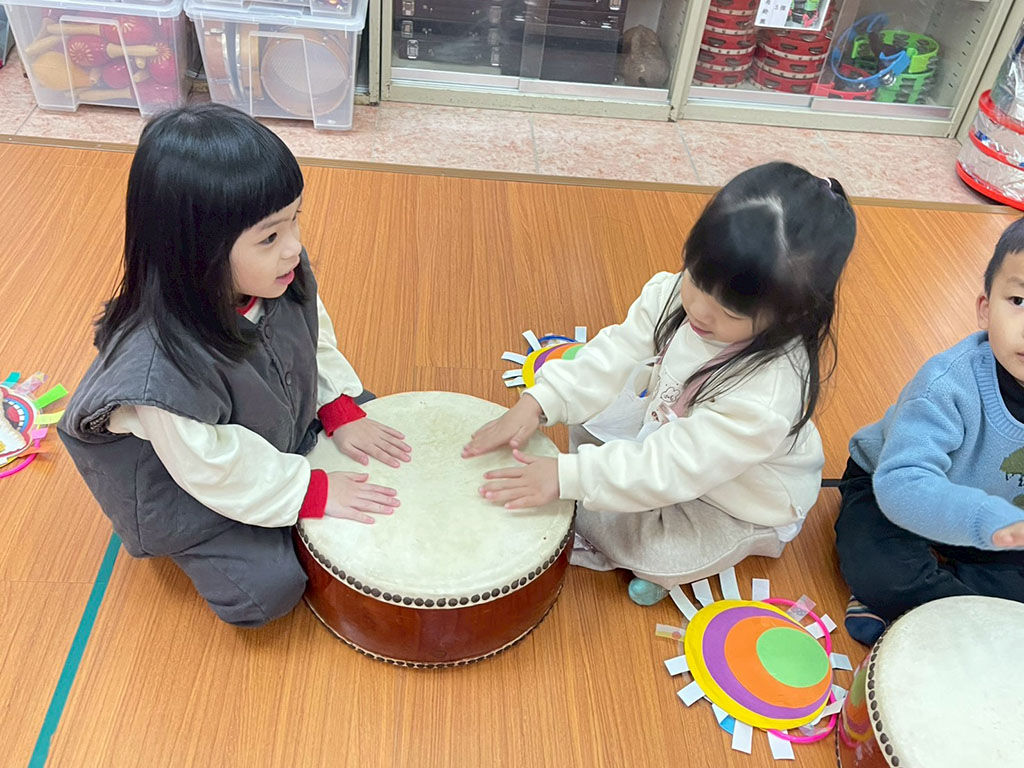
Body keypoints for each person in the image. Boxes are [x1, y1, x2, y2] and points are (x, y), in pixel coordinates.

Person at [59, 104, 410, 627]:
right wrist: (311, 490)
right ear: (196, 251)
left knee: (371, 427)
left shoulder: (277, 272)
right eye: (270, 237)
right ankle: (218, 536)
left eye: (295, 220)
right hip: (191, 485)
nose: (294, 248)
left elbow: (312, 336)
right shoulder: (160, 368)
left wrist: (336, 405)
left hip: (265, 418)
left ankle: (293, 466)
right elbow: (211, 466)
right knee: (267, 591)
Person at [463, 163, 856, 605]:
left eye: (730, 312)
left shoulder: (767, 395)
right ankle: (599, 497)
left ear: (792, 314)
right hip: (671, 434)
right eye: (697, 279)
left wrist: (567, 476)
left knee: (657, 553)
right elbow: (614, 352)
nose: (699, 311)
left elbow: (675, 465)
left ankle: (736, 541)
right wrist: (538, 402)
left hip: (734, 501)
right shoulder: (674, 294)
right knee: (589, 416)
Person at [836, 218, 1024, 645]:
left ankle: (935, 604)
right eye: (1019, 300)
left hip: (998, 522)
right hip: (893, 488)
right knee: (881, 566)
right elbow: (903, 485)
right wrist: (990, 521)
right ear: (985, 308)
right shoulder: (948, 384)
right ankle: (930, 604)